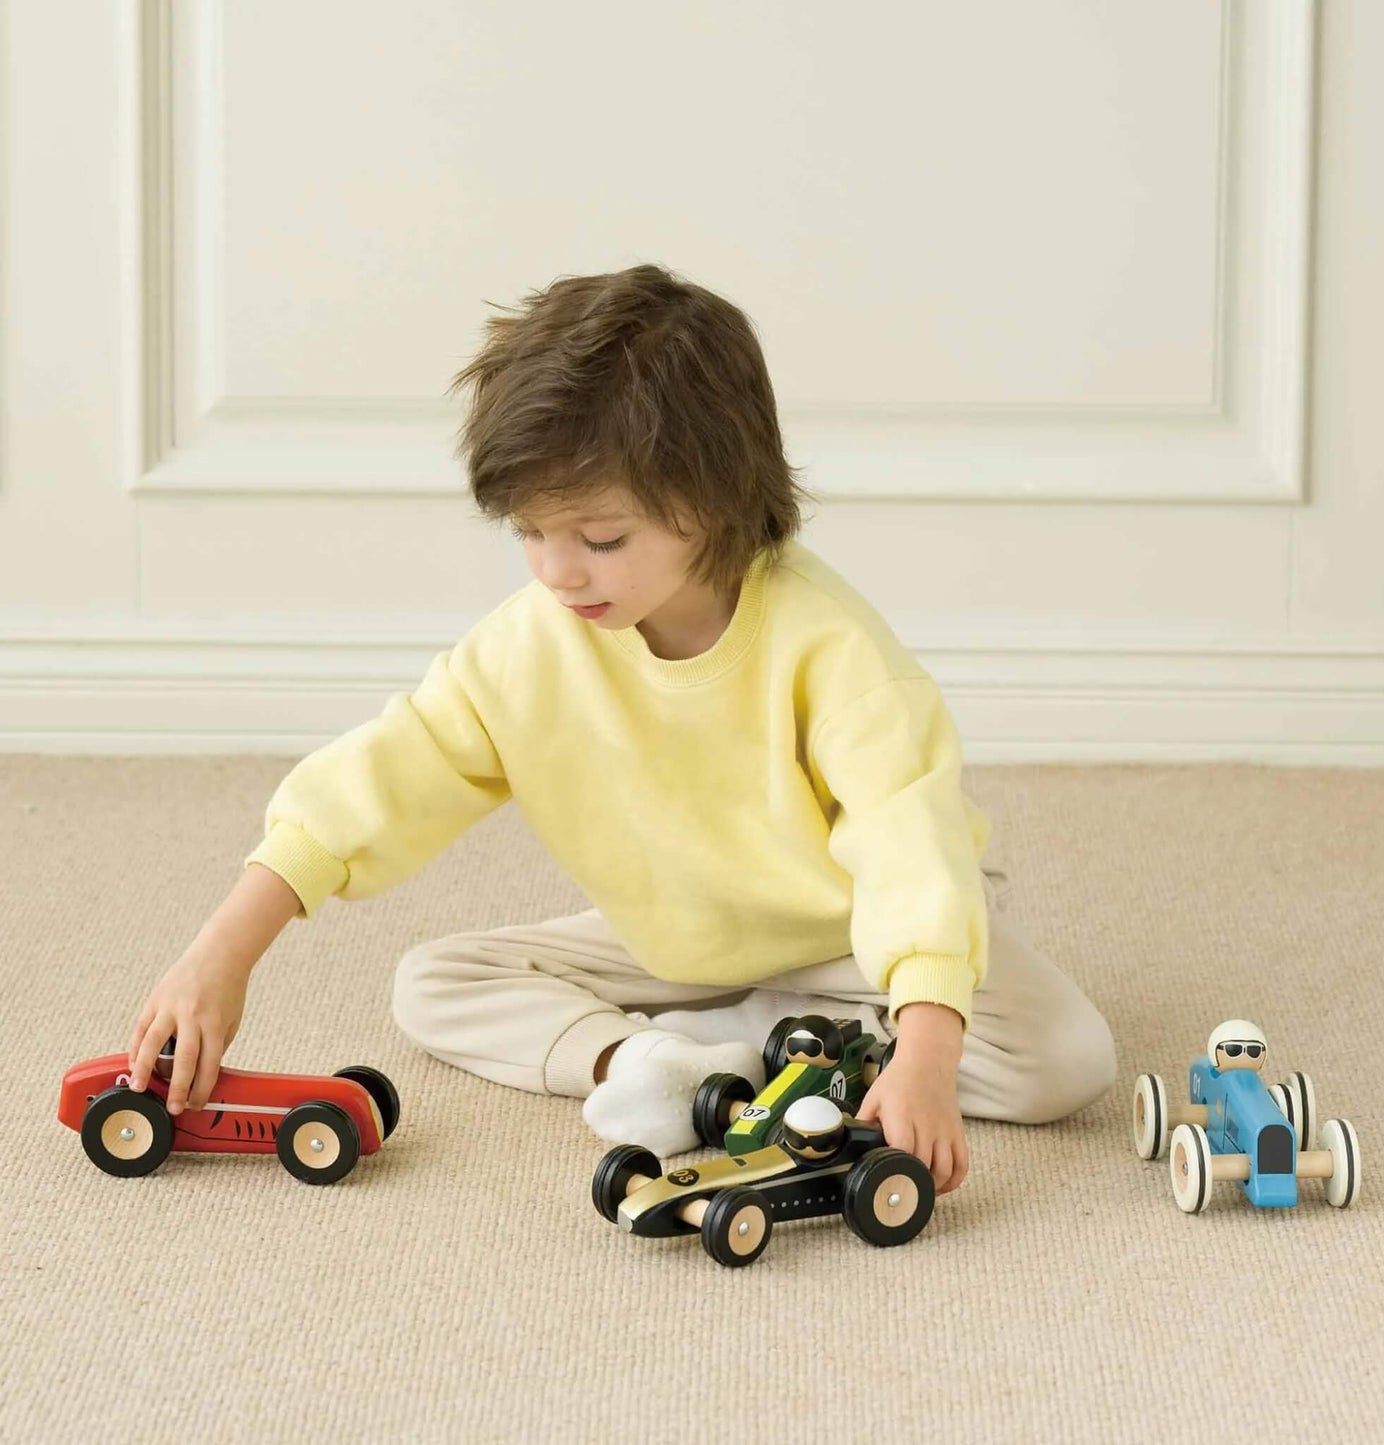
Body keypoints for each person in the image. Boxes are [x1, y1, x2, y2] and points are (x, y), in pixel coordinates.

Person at [126, 262, 1115, 1194]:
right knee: (433, 981)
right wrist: (222, 950)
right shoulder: (532, 646)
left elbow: (911, 843)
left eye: (599, 539)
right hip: (671, 946)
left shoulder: (832, 648)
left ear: (714, 502)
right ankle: (659, 1060)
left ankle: (793, 1031)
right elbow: (385, 773)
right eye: (528, 532)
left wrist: (930, 1046)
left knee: (1065, 1058)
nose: (557, 572)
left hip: (842, 939)